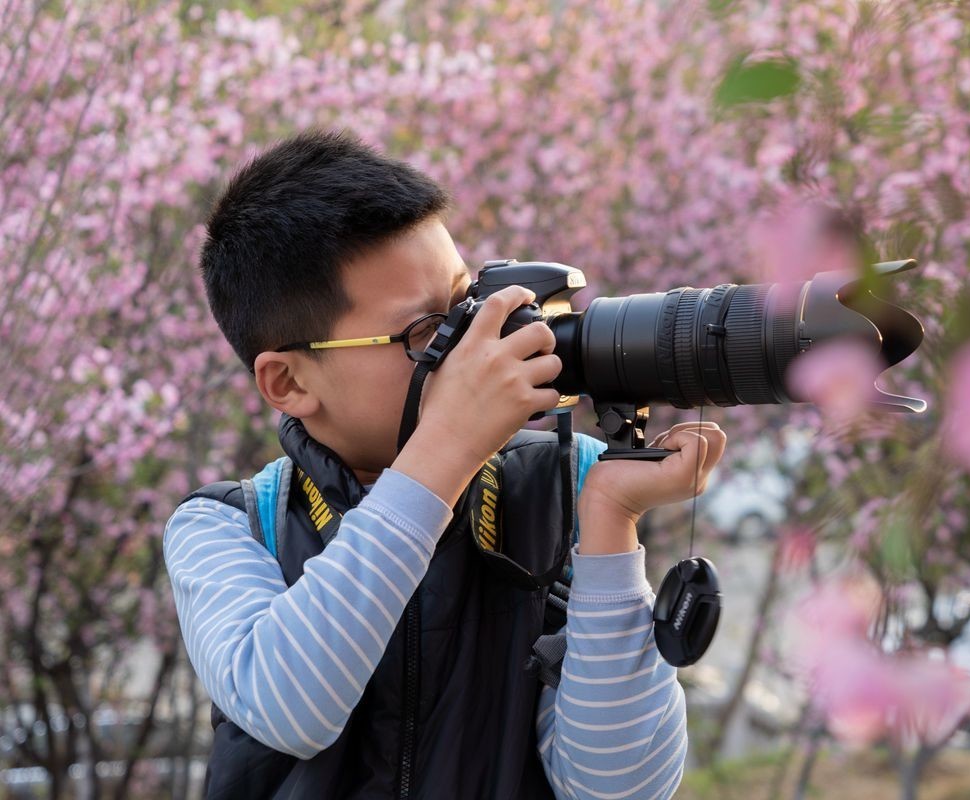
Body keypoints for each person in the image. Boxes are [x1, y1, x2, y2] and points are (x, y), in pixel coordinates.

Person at [163, 129, 726, 799]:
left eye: (468, 303)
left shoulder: (561, 487)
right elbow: (288, 708)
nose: (467, 347)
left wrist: (609, 519)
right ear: (288, 383)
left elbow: (616, 788)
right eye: (427, 332)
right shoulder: (227, 526)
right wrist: (448, 444)